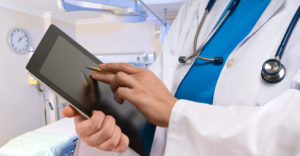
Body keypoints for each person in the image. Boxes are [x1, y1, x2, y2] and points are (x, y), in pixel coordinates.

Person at [62, 0, 300, 155]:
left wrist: (176, 112)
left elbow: (291, 131)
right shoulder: (197, 8)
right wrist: (106, 130)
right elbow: (151, 113)